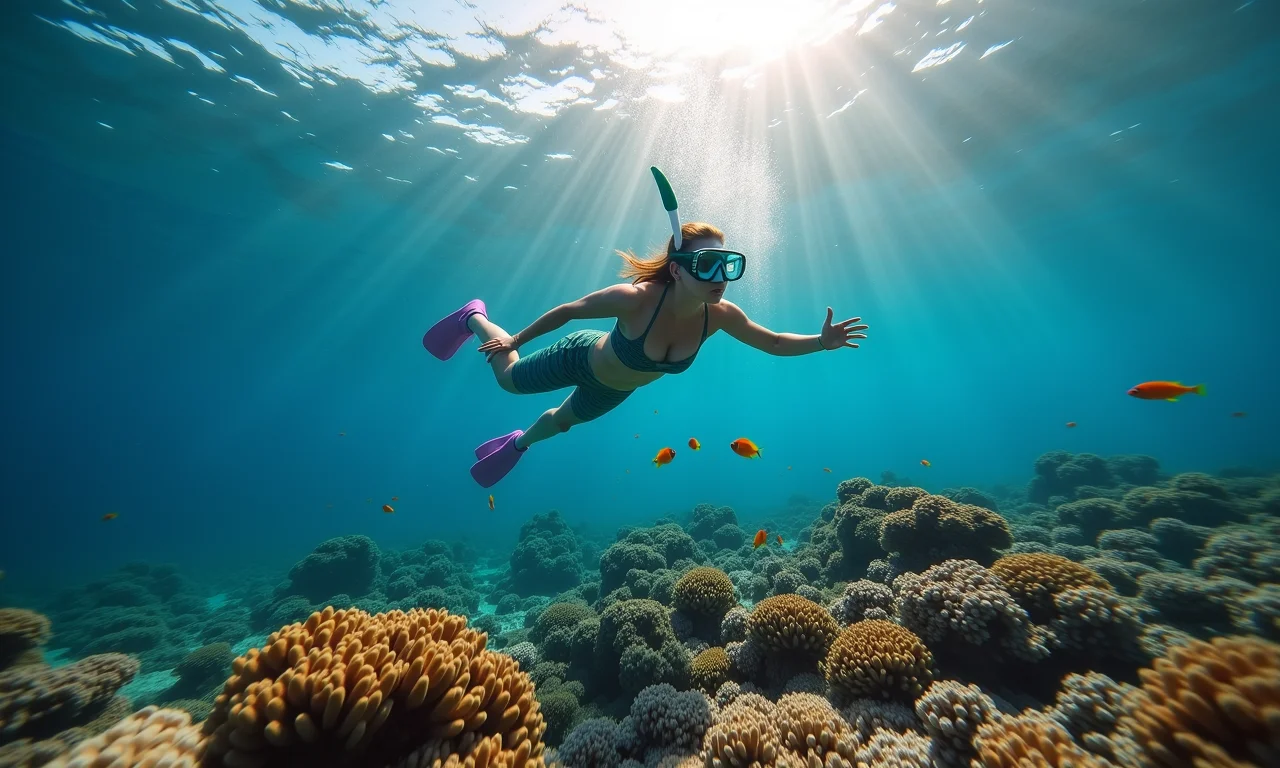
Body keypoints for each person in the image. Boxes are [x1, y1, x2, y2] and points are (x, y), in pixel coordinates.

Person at [423, 167, 868, 487]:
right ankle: (474, 317)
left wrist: (820, 342)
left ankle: (518, 445)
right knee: (508, 383)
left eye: (728, 266)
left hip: (614, 390)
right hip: (579, 356)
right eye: (709, 266)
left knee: (562, 423)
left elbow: (771, 341)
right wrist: (516, 339)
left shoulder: (721, 316)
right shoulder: (635, 300)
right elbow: (569, 310)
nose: (721, 279)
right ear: (678, 270)